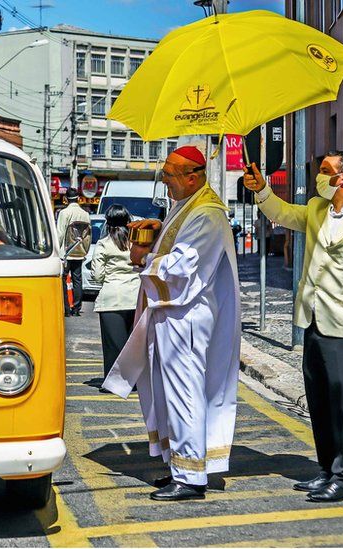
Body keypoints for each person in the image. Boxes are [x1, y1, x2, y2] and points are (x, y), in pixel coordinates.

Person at [244, 151, 343, 503]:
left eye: (325, 171)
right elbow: (281, 213)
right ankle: (327, 469)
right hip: (312, 320)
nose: (318, 176)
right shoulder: (315, 209)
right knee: (320, 402)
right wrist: (262, 189)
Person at [102, 145, 241, 502]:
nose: (164, 182)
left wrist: (143, 257)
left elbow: (182, 268)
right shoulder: (186, 208)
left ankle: (192, 477)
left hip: (187, 318)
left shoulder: (207, 214)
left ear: (192, 177)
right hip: (171, 315)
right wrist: (157, 231)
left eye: (169, 175)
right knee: (170, 393)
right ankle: (179, 466)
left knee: (186, 395)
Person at [89, 204, 140, 385]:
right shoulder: (137, 242)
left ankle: (114, 383)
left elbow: (97, 275)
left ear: (107, 222)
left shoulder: (104, 244)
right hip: (136, 297)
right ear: (128, 221)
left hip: (111, 298)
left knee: (113, 345)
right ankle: (133, 381)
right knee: (132, 344)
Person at [57, 187, 91, 316]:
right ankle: (76, 308)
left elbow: (60, 233)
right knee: (77, 279)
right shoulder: (85, 214)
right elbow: (87, 235)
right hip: (79, 251)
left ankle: (66, 308)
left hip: (65, 252)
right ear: (79, 199)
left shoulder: (64, 213)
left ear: (66, 199)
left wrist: (57, 251)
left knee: (64, 279)